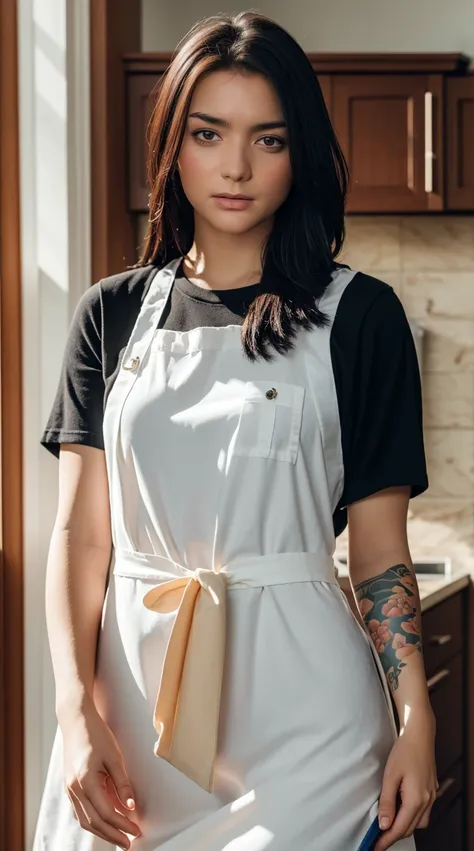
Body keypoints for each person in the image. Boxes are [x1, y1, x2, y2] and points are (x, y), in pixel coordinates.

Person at [33, 11, 437, 851]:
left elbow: (377, 551)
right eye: (209, 133)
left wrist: (414, 715)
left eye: (270, 139)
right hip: (131, 724)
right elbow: (79, 540)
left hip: (307, 730)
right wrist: (73, 711)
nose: (236, 166)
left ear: (301, 155)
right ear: (173, 145)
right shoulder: (110, 316)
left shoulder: (361, 316)